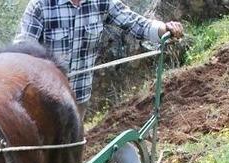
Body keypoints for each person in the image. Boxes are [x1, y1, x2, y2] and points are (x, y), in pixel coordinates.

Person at [15, 0, 184, 119]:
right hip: (45, 101)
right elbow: (22, 50)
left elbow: (135, 23)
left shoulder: (102, 2)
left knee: (72, 154)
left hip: (79, 98)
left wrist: (165, 29)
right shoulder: (40, 5)